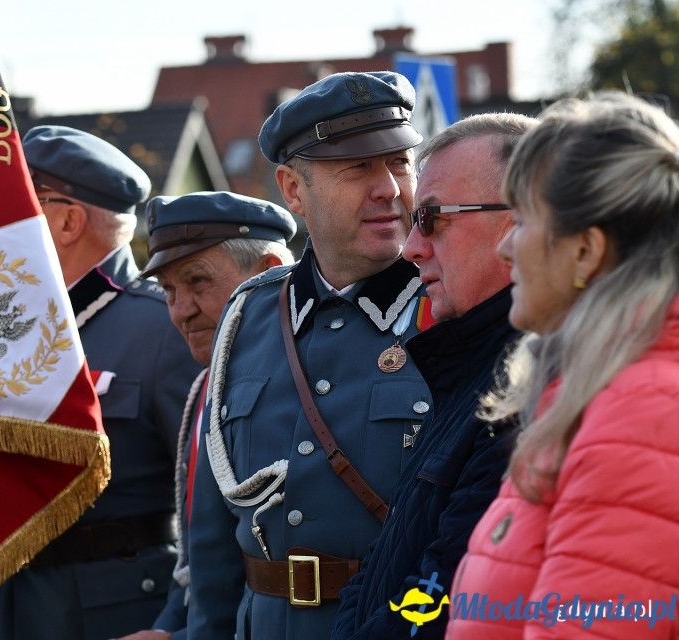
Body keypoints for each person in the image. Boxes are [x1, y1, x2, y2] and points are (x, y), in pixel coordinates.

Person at [186, 71, 433, 640]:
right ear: (293, 190)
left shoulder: (449, 306)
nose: (390, 189)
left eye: (399, 162)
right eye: (358, 168)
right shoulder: (248, 317)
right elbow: (213, 535)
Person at [446, 92, 679, 639]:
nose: (507, 250)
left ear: (584, 252)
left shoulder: (638, 412)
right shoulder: (600, 386)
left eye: (522, 221)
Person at [329, 112, 537, 640]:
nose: (412, 247)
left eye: (433, 217)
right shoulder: (474, 368)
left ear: (520, 221)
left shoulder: (528, 387)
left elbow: (442, 587)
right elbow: (388, 562)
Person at [0, 125, 202, 640]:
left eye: (24, 202)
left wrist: (176, 627)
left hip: (121, 612)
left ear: (68, 220)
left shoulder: (165, 328)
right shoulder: (10, 326)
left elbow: (213, 505)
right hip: (9, 607)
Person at [116, 191, 297, 640]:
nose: (180, 311)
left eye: (198, 282)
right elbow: (203, 562)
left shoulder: (301, 385)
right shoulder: (210, 388)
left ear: (269, 273)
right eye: (170, 291)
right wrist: (168, 630)